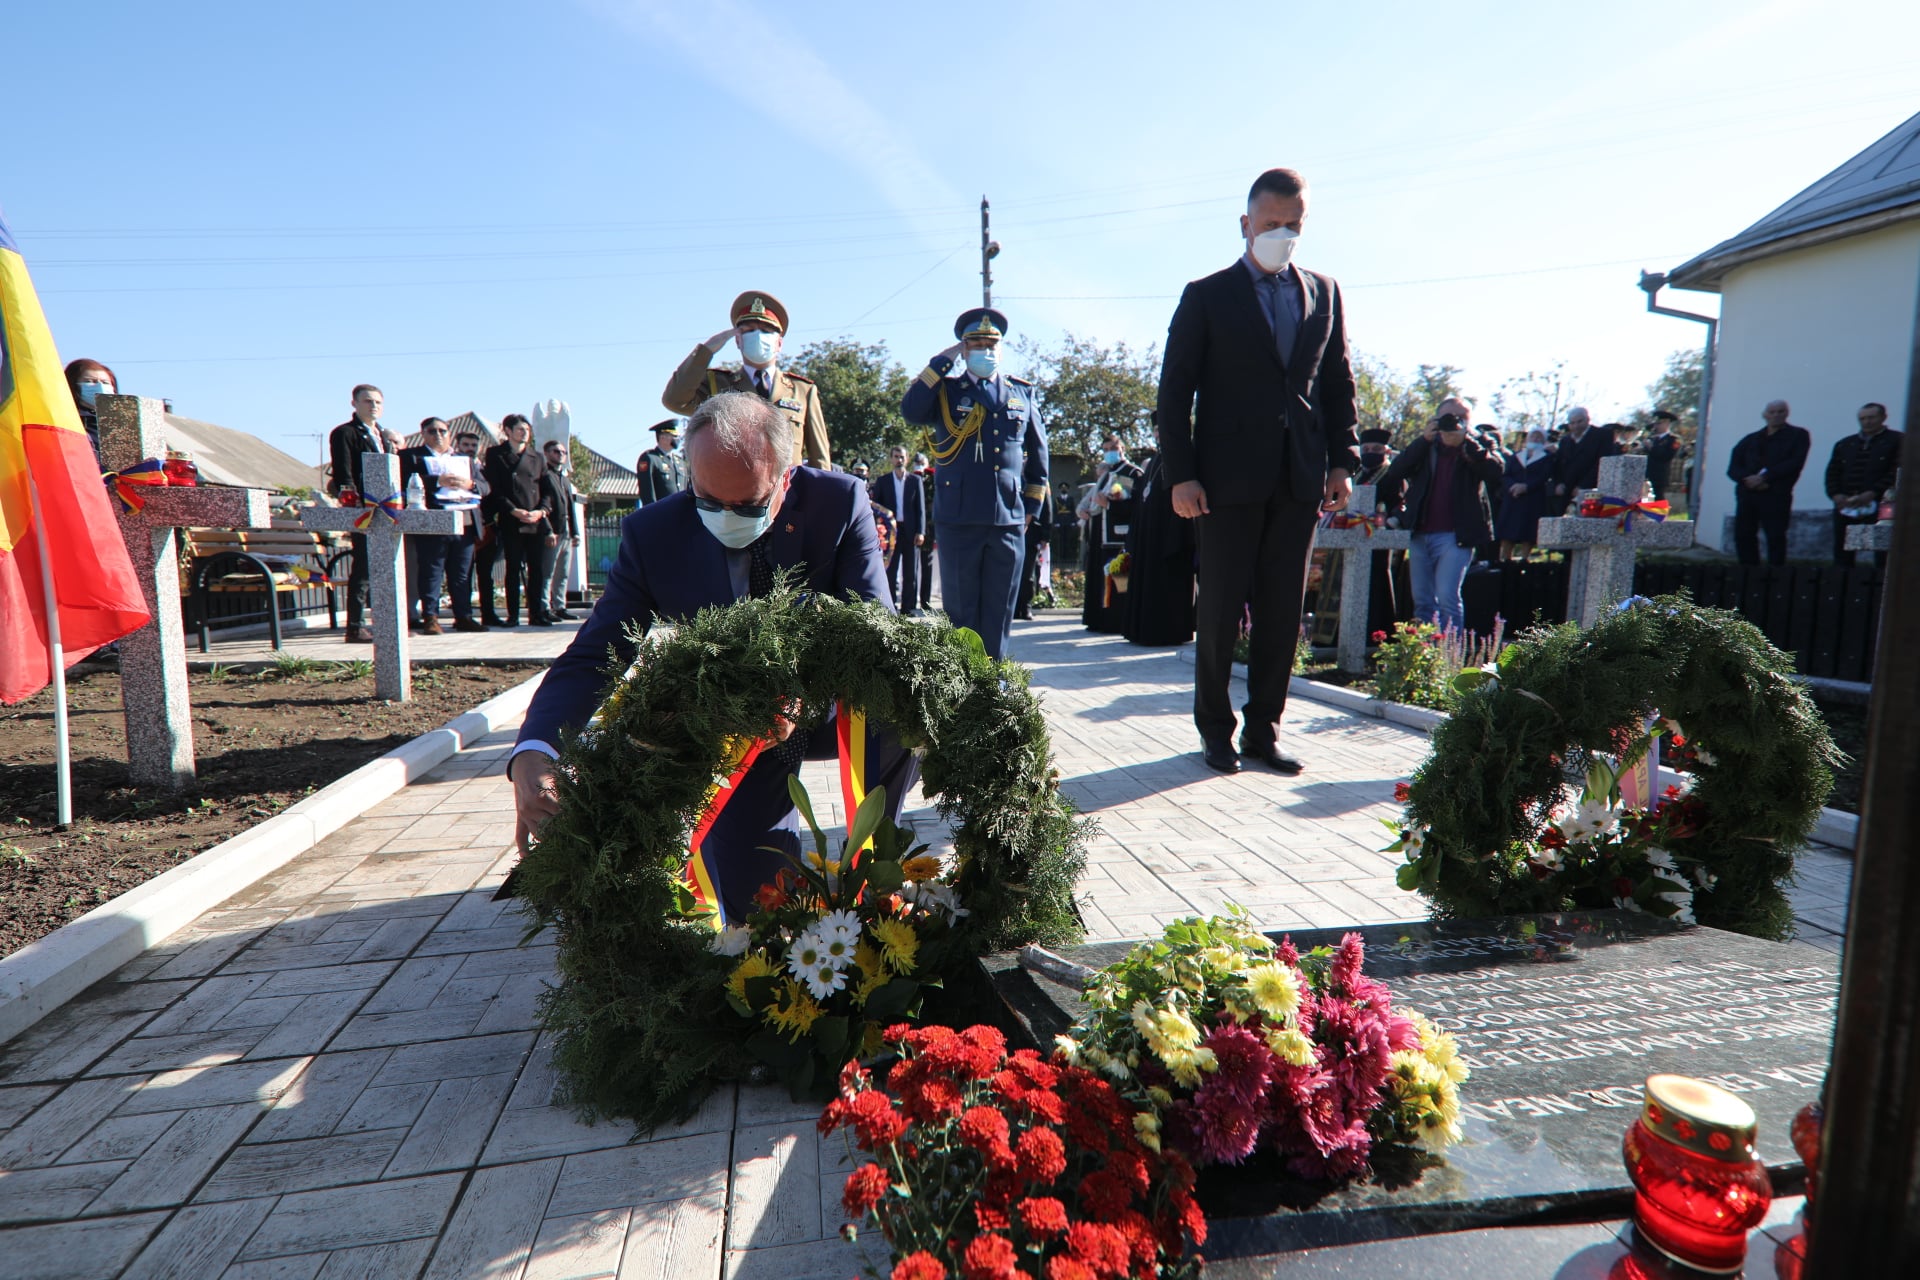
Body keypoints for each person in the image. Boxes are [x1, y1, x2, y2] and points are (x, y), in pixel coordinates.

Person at [505, 392, 916, 919]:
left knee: (908, 705)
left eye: (747, 505)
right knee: (760, 912)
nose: (726, 517)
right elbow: (594, 654)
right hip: (734, 734)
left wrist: (805, 689)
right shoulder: (653, 533)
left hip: (832, 710)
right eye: (707, 500)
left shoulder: (839, 502)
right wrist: (535, 751)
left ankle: (878, 862)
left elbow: (872, 629)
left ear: (785, 479)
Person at [1156, 166, 1359, 776]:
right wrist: (1181, 475)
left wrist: (1343, 461)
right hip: (1223, 482)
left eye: (1293, 225)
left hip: (1298, 477)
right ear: (1246, 225)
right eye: (1272, 224)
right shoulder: (1207, 294)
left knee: (1281, 611)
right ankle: (1215, 730)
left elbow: (1338, 384)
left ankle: (1263, 731)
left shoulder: (1324, 291)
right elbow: (1174, 392)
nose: (1282, 234)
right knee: (1218, 611)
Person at [900, 307, 1050, 660]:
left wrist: (1031, 507)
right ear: (964, 349)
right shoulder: (946, 391)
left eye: (991, 343)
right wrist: (940, 364)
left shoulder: (1021, 394)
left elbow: (1039, 456)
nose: (986, 350)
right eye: (976, 343)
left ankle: (994, 684)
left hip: (1009, 520)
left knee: (1000, 612)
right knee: (962, 613)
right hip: (959, 518)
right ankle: (964, 685)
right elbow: (911, 410)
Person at [661, 291, 831, 469]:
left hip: (789, 492)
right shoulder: (718, 385)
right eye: (749, 331)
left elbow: (819, 456)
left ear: (779, 343)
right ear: (738, 340)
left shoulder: (802, 391)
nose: (758, 336)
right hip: (733, 490)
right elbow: (674, 400)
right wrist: (706, 352)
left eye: (766, 331)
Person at [1378, 401, 1503, 634]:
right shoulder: (1426, 443)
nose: (1453, 422)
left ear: (1469, 421)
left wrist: (1468, 444)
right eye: (1447, 417)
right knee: (1423, 600)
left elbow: (1497, 472)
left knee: (1447, 596)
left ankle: (1449, 656)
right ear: (1435, 419)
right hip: (1421, 532)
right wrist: (1423, 440)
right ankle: (1425, 656)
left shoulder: (1479, 443)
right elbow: (1395, 471)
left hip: (1457, 536)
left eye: (1460, 418)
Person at [398, 417, 482, 633]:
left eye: (443, 431)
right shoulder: (412, 456)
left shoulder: (463, 459)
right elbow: (403, 482)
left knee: (462, 573)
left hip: (464, 520)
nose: (438, 435)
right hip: (433, 521)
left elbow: (486, 486)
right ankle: (430, 617)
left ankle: (463, 616)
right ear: (423, 433)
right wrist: (437, 481)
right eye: (432, 431)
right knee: (431, 570)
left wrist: (470, 484)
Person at [326, 384, 392, 643]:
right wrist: (351, 499)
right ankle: (354, 625)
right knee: (363, 566)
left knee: (384, 567)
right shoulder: (345, 433)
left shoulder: (382, 435)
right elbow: (344, 471)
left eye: (377, 401)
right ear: (354, 404)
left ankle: (386, 621)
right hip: (363, 507)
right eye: (367, 401)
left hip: (385, 508)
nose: (373, 406)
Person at [482, 414, 558, 627]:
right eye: (519, 429)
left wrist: (541, 511)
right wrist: (513, 510)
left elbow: (547, 490)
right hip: (511, 519)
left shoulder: (537, 457)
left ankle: (536, 613)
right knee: (513, 568)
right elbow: (494, 488)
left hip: (534, 520)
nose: (524, 433)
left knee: (537, 569)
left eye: (527, 429)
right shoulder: (496, 454)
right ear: (507, 430)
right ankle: (513, 615)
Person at [1120, 446, 1196, 646]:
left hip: (1169, 536)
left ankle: (1168, 633)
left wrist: (1176, 538)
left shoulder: (1180, 458)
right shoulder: (1153, 462)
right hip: (1148, 537)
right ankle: (1142, 630)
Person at [1727, 399, 1812, 566]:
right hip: (1748, 495)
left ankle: (1775, 578)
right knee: (1744, 535)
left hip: (1775, 494)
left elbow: (1794, 463)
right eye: (1772, 412)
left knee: (1775, 536)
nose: (1776, 415)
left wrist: (1766, 478)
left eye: (1780, 411)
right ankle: (1749, 574)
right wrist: (1747, 479)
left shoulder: (1798, 435)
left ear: (1787, 414)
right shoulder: (1751, 439)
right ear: (1764, 415)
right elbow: (1733, 467)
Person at [1824, 401, 1902, 568]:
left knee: (1881, 551)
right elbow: (1832, 472)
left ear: (1883, 417)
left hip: (1882, 506)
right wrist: (1836, 495)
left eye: (1871, 417)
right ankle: (1843, 587)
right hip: (1847, 506)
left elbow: (1897, 470)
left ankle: (1881, 588)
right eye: (1863, 418)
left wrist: (1873, 492)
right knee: (1844, 550)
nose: (1867, 422)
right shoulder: (1845, 444)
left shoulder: (1897, 441)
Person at [1080, 439, 1143, 635]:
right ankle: (1098, 620)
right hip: (1099, 536)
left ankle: (1116, 622)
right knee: (1099, 580)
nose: (1109, 453)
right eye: (1106, 449)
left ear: (1122, 449)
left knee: (1118, 580)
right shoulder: (1106, 474)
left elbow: (1136, 506)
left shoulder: (1132, 472)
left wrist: (1109, 505)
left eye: (1113, 449)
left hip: (1118, 537)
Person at [868, 445, 925, 614]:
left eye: (902, 457)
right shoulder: (883, 481)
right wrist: (878, 531)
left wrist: (921, 531)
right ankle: (890, 607)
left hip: (910, 532)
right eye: (896, 456)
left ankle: (907, 609)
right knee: (890, 572)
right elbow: (876, 508)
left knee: (910, 573)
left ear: (907, 459)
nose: (899, 460)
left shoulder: (916, 481)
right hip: (890, 533)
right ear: (891, 459)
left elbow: (920, 508)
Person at [1494, 427, 1555, 560]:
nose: (1536, 439)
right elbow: (1506, 475)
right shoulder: (1516, 456)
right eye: (1533, 436)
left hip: (1533, 500)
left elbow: (1544, 477)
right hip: (1513, 500)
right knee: (1507, 533)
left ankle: (1524, 561)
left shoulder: (1547, 458)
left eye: (1539, 437)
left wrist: (1526, 487)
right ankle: (1504, 561)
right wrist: (1513, 486)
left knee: (1528, 534)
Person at [1547, 406, 1619, 515]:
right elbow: (1558, 465)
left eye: (1579, 422)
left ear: (1587, 420)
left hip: (1591, 491)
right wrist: (1558, 483)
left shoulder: (1603, 435)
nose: (1576, 426)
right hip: (1566, 491)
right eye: (1572, 423)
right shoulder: (1565, 441)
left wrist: (1584, 486)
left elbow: (1603, 463)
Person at [541, 437, 581, 620]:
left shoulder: (563, 478)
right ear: (547, 454)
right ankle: (544, 607)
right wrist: (548, 530)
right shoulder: (544, 476)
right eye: (557, 452)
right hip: (553, 531)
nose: (561, 455)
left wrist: (576, 531)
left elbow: (570, 507)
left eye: (563, 452)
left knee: (563, 572)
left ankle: (560, 606)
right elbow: (542, 505)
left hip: (566, 530)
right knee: (547, 572)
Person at [64, 358, 117, 463]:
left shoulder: (122, 422)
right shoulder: (67, 420)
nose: (100, 386)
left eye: (105, 382)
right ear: (72, 385)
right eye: (89, 381)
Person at [636, 419, 689, 504]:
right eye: (674, 436)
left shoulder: (680, 462)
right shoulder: (650, 459)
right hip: (662, 513)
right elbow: (647, 492)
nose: (678, 439)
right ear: (663, 437)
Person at [914, 452, 937, 611]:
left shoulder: (933, 479)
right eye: (917, 462)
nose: (919, 464)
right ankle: (909, 600)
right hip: (913, 529)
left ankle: (925, 601)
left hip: (928, 530)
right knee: (911, 568)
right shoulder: (910, 478)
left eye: (922, 462)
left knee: (926, 567)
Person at [1645, 410, 1684, 503]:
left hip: (1660, 475)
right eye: (1656, 424)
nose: (1656, 426)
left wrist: (1652, 448)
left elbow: (1667, 456)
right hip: (1647, 474)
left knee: (1658, 498)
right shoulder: (1652, 438)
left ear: (1667, 423)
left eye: (1659, 423)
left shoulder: (1673, 439)